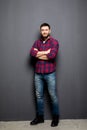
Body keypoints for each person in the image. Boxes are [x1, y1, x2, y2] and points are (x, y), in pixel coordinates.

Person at [30, 23, 60, 127]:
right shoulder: (36, 42)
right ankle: (40, 117)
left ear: (49, 31)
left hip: (50, 74)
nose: (44, 31)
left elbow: (52, 56)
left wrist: (39, 53)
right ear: (40, 31)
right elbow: (32, 53)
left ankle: (56, 118)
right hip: (38, 74)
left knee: (53, 96)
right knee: (39, 96)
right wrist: (45, 52)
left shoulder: (54, 42)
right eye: (42, 30)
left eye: (46, 30)